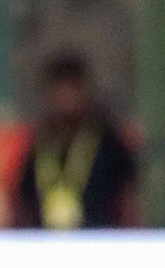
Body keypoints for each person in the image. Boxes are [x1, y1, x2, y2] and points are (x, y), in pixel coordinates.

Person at [13, 53, 137, 228]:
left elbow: (127, 196)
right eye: (61, 91)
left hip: (99, 238)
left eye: (72, 89)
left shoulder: (107, 141)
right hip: (44, 240)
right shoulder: (41, 143)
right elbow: (25, 199)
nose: (67, 99)